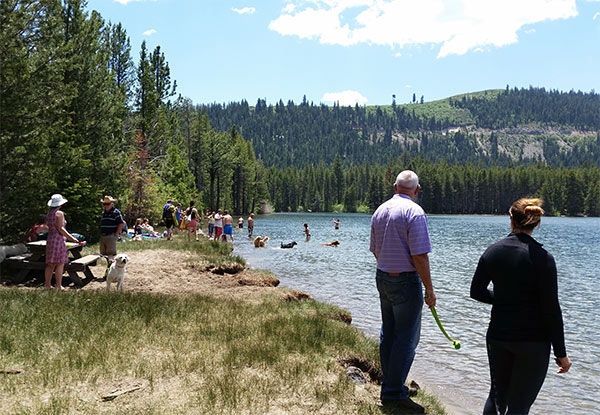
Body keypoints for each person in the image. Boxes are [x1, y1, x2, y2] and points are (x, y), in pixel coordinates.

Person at [470, 198, 572, 415]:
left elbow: (476, 292)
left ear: (511, 219)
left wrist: (504, 298)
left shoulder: (493, 251)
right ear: (536, 224)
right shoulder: (543, 258)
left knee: (497, 397)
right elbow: (551, 310)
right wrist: (561, 353)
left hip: (498, 335)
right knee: (519, 406)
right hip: (533, 342)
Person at [369, 170, 436, 413]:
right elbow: (419, 256)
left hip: (383, 276)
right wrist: (429, 289)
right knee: (406, 339)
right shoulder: (415, 213)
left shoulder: (380, 210)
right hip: (406, 281)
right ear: (416, 191)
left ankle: (390, 385)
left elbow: (375, 249)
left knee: (389, 332)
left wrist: (388, 270)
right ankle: (393, 392)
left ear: (395, 187)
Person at [45, 194, 80, 290]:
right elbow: (61, 228)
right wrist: (72, 238)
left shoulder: (49, 214)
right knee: (60, 263)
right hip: (58, 239)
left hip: (50, 239)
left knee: (50, 264)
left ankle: (47, 285)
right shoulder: (59, 213)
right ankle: (58, 285)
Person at [100, 196, 125, 261]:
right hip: (103, 235)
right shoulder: (103, 213)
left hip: (111, 235)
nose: (106, 206)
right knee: (104, 254)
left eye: (107, 204)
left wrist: (116, 234)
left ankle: (111, 268)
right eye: (104, 204)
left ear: (112, 204)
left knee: (110, 254)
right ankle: (109, 267)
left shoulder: (116, 212)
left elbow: (121, 223)